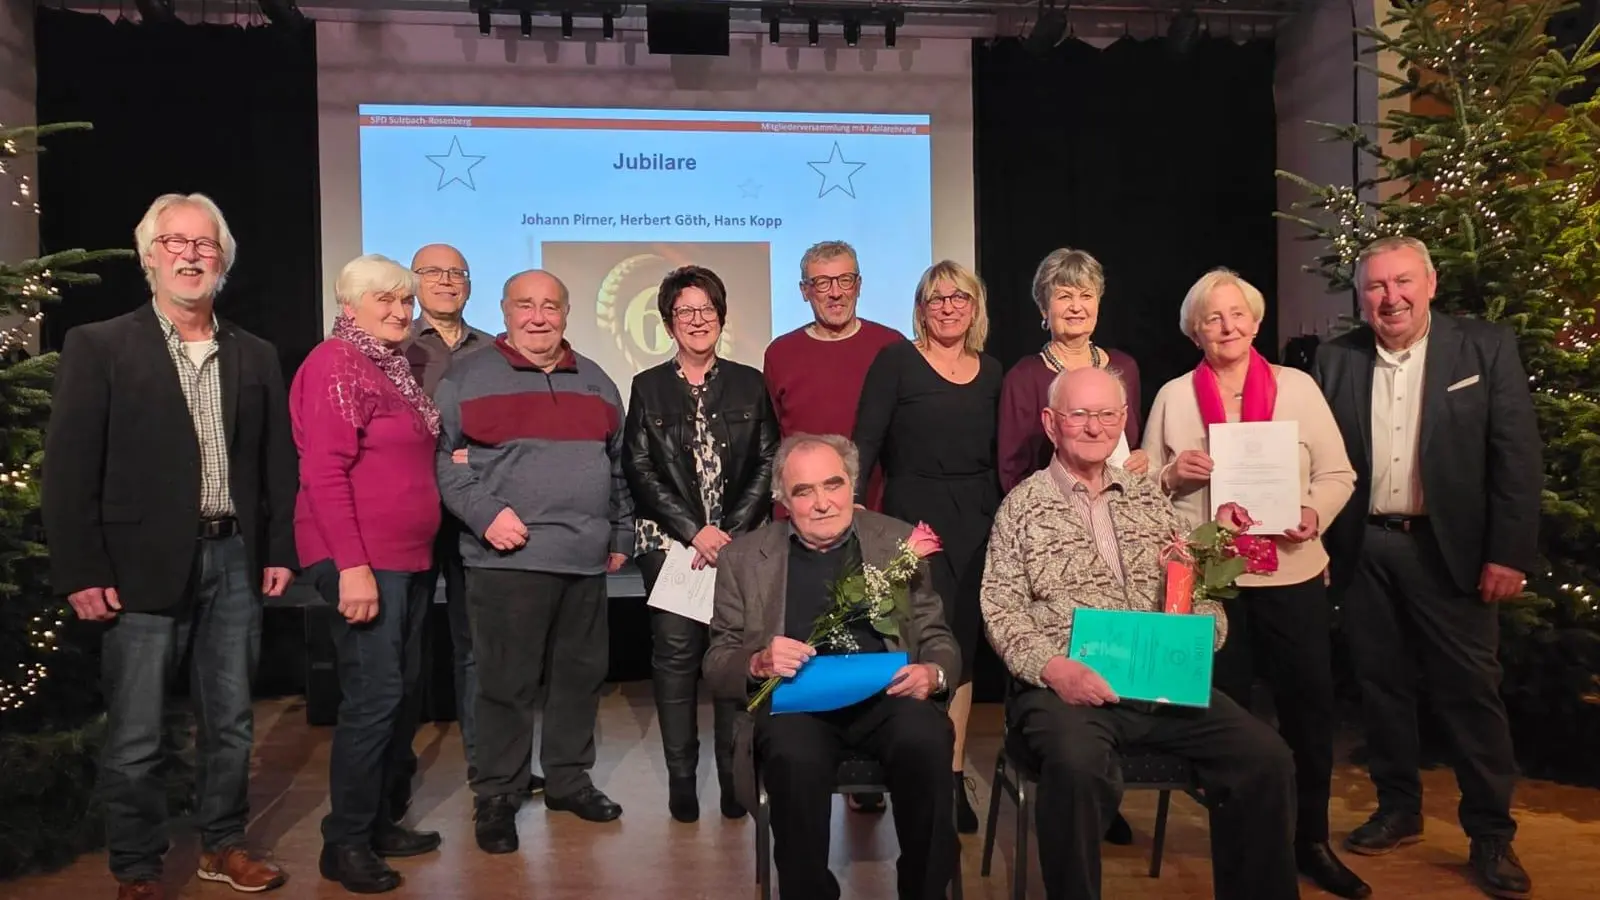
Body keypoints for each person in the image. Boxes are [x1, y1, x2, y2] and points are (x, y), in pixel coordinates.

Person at [42, 193, 297, 900]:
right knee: (136, 733)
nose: (190, 254)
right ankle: (137, 868)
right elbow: (68, 471)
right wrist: (81, 569)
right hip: (136, 568)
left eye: (205, 244)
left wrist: (278, 550)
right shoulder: (99, 346)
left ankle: (222, 846)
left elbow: (278, 465)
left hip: (234, 561)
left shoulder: (256, 353)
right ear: (149, 257)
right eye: (175, 242)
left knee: (232, 723)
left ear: (223, 261)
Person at [981, 365, 1300, 900]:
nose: (1093, 426)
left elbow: (1196, 589)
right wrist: (1054, 669)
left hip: (1160, 682)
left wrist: (1199, 634)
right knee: (1078, 768)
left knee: (1265, 757)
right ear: (1050, 423)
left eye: (1107, 414)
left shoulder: (1151, 499)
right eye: (1078, 414)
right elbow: (1001, 608)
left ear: (1124, 420)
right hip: (1066, 689)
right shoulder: (1022, 508)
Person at [1314, 236, 1538, 899]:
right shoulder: (1336, 359)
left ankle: (1492, 833)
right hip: (1365, 548)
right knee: (1381, 688)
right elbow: (1315, 458)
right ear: (1363, 296)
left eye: (1403, 282)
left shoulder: (1484, 348)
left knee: (1470, 693)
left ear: (1430, 284)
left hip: (1454, 551)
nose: (1392, 297)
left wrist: (1508, 552)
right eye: (1377, 287)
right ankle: (1398, 808)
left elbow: (1517, 459)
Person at [1143, 268, 1368, 898]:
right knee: (1228, 722)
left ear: (1256, 322)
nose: (1227, 326)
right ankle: (1237, 849)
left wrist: (1312, 513)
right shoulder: (1174, 396)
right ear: (1195, 330)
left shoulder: (1297, 388)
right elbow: (1144, 494)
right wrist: (1171, 477)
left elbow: (1338, 472)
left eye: (1237, 314)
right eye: (1212, 318)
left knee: (1309, 711)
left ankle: (1311, 842)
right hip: (1212, 585)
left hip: (1292, 571)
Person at [704, 434, 960, 900]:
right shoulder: (743, 558)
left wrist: (933, 673)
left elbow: (937, 636)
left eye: (833, 484)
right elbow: (717, 661)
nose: (822, 503)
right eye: (804, 491)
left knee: (926, 738)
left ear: (852, 486)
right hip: (798, 704)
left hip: (889, 697)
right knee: (792, 757)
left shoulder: (898, 542)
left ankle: (925, 889)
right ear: (783, 501)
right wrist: (757, 661)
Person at [434, 269, 633, 854]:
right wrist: (484, 514)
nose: (538, 316)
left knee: (579, 678)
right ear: (505, 310)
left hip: (585, 559)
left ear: (567, 313)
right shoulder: (466, 378)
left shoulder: (596, 381)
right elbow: (445, 461)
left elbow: (617, 466)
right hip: (506, 560)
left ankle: (569, 780)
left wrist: (619, 530)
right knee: (505, 684)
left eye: (550, 305)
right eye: (526, 305)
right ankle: (498, 793)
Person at [290, 255, 447, 893]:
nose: (400, 311)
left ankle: (380, 821)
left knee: (402, 694)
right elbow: (324, 473)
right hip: (363, 560)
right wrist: (353, 569)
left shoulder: (392, 368)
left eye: (406, 302)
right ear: (348, 305)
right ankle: (346, 842)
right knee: (375, 698)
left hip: (405, 560)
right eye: (384, 300)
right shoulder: (336, 363)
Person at [622, 265, 779, 822]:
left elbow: (767, 460)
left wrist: (728, 532)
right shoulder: (648, 387)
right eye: (685, 311)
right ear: (668, 322)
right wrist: (695, 530)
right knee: (676, 658)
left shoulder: (749, 382)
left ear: (721, 316)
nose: (697, 320)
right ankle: (682, 781)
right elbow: (638, 467)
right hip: (671, 546)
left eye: (706, 309)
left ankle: (736, 780)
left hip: (740, 544)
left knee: (735, 658)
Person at [852, 260, 1000, 834]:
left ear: (974, 306)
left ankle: (951, 774)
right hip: (912, 518)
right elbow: (865, 439)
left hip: (980, 520)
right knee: (915, 643)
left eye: (958, 297)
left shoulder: (992, 371)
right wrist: (860, 507)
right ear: (920, 307)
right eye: (935, 298)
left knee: (960, 650)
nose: (947, 307)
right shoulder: (896, 362)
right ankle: (902, 762)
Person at [398, 243, 497, 797]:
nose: (447, 281)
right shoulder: (394, 345)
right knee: (404, 643)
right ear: (414, 281)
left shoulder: (494, 351)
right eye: (434, 272)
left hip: (475, 511)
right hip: (413, 507)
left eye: (457, 271)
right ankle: (397, 767)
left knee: (476, 643)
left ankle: (486, 765)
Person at [762, 240, 903, 514]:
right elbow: (772, 440)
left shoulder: (891, 346)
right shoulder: (781, 353)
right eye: (823, 283)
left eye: (845, 280)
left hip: (876, 512)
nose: (836, 293)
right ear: (805, 291)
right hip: (800, 514)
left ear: (858, 285)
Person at [998, 247, 1146, 493]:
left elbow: (1132, 445)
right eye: (1065, 296)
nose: (1076, 307)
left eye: (1086, 295)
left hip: (1119, 508)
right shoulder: (1023, 378)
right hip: (1051, 515)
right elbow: (1012, 474)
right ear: (1044, 309)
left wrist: (1141, 460)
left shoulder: (1125, 368)